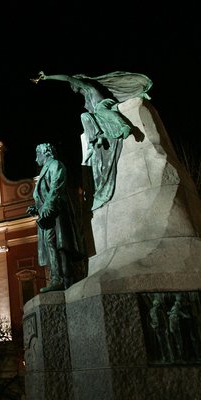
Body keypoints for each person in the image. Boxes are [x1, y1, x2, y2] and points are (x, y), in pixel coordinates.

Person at [32, 70, 152, 210]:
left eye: (73, 85)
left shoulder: (87, 87)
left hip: (104, 104)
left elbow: (66, 77)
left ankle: (124, 126)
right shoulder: (86, 98)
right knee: (85, 116)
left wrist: (47, 77)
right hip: (96, 112)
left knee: (101, 111)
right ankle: (98, 136)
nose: (72, 88)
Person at [26, 143, 81, 292]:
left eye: (38, 154)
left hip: (56, 211)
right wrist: (36, 208)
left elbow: (56, 186)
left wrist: (48, 206)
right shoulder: (46, 169)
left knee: (59, 244)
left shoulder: (55, 165)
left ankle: (63, 278)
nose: (36, 158)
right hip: (48, 214)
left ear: (46, 153)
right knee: (51, 244)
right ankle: (57, 277)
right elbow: (43, 194)